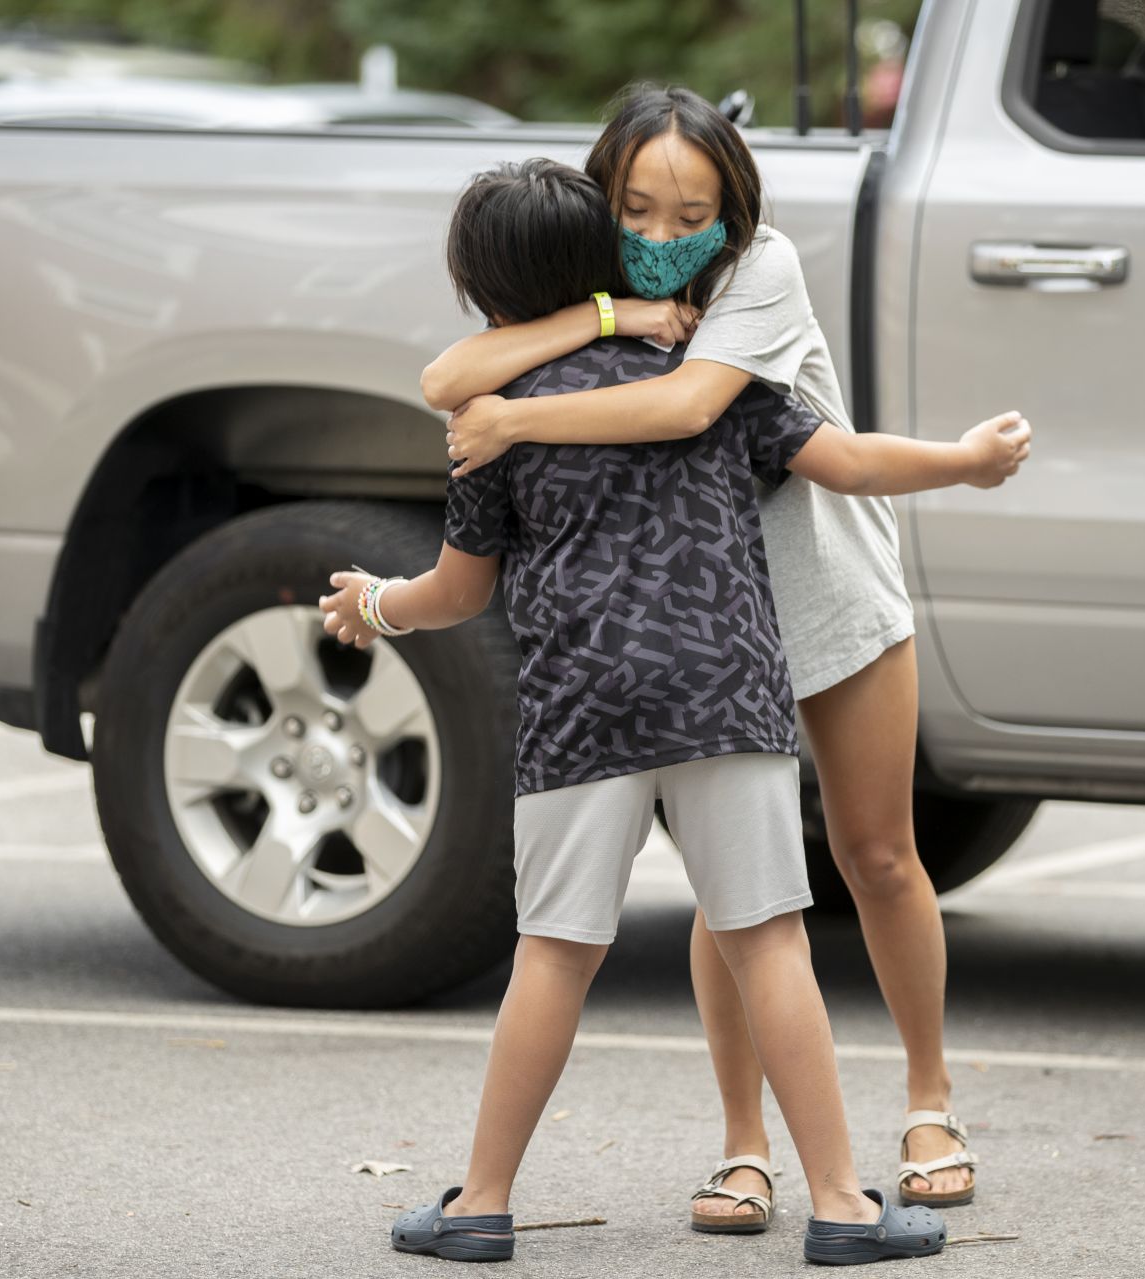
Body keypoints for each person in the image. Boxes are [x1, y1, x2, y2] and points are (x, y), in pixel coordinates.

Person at [321, 156, 1027, 1264]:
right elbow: (842, 460)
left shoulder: (493, 418)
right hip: (722, 690)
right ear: (601, 258)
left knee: (552, 952)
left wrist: (372, 601)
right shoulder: (705, 372)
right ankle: (840, 1206)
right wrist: (965, 461)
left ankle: (481, 1205)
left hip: (579, 710)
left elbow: (457, 592)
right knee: (770, 942)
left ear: (480, 286)